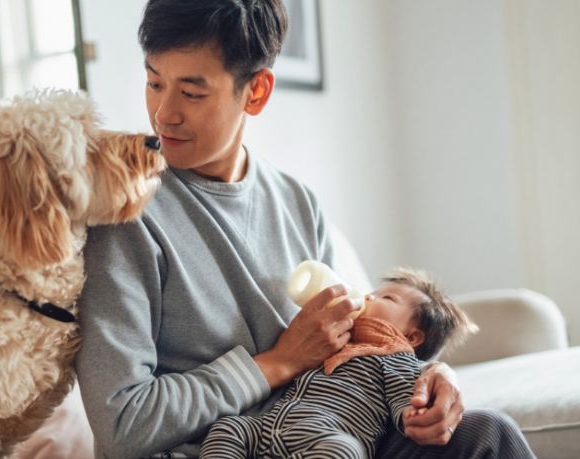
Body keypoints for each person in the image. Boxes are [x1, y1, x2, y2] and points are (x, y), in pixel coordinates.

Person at [75, 1, 534, 457]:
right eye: (154, 82)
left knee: (488, 434)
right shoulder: (123, 211)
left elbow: (358, 341)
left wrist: (434, 377)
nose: (163, 114)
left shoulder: (296, 202)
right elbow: (122, 425)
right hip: (220, 448)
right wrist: (279, 362)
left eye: (192, 93)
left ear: (256, 91)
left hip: (324, 438)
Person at [200, 268, 478, 458]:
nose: (369, 297)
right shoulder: (332, 339)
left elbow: (407, 402)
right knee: (229, 428)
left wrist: (417, 410)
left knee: (344, 452)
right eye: (373, 292)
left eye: (387, 298)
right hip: (267, 427)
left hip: (327, 436)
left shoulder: (394, 360)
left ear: (413, 336)